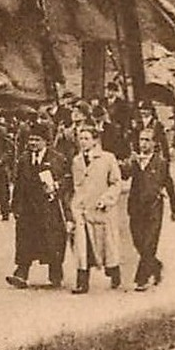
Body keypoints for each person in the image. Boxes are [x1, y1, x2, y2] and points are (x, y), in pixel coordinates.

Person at [5, 126, 70, 289]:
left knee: (52, 241)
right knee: (25, 240)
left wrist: (57, 186)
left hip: (49, 207)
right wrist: (15, 206)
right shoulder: (24, 159)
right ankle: (21, 273)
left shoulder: (57, 158)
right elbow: (18, 183)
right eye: (30, 140)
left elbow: (67, 180)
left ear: (45, 142)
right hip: (28, 208)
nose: (32, 143)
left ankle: (55, 274)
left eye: (36, 140)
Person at [68, 124, 125, 292]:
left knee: (106, 246)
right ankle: (82, 282)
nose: (83, 142)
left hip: (101, 210)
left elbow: (116, 183)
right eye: (80, 139)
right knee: (81, 246)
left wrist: (106, 199)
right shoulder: (77, 161)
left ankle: (114, 272)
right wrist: (75, 205)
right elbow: (76, 185)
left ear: (95, 141)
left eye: (86, 138)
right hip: (82, 209)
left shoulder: (107, 158)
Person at [125, 126, 175, 292]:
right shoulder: (135, 160)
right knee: (138, 241)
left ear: (154, 143)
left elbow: (168, 183)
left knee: (149, 242)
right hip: (135, 206)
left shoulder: (161, 163)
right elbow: (124, 175)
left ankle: (142, 278)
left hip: (154, 207)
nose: (143, 144)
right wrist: (129, 163)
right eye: (141, 140)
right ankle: (155, 266)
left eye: (147, 140)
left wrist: (174, 207)